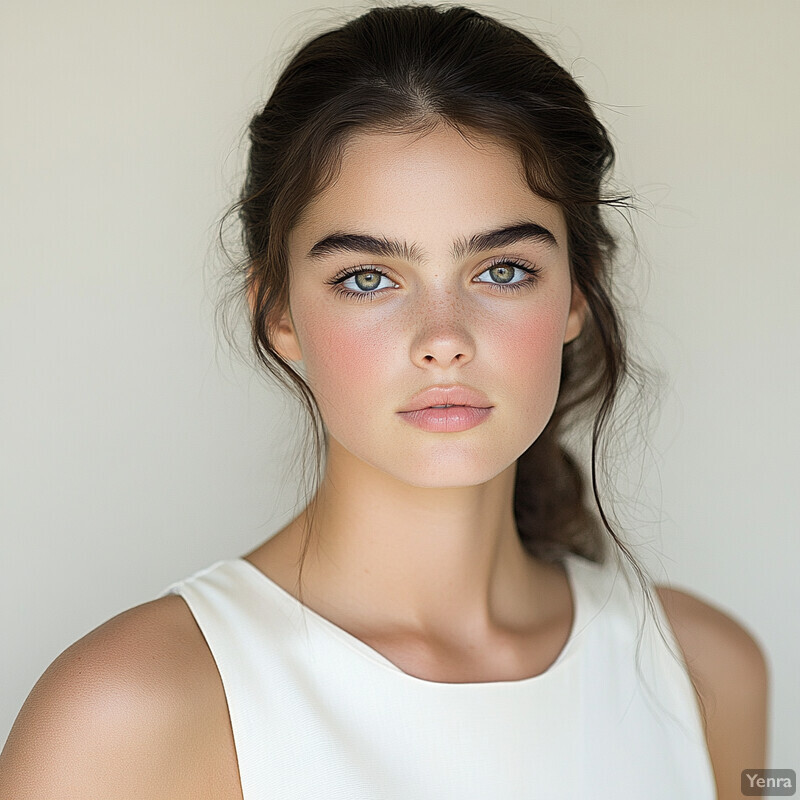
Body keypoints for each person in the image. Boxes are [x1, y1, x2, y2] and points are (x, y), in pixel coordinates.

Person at [0, 4, 768, 798]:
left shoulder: (709, 670)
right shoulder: (125, 716)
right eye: (367, 278)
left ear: (579, 291)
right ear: (280, 314)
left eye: (502, 270)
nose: (443, 338)